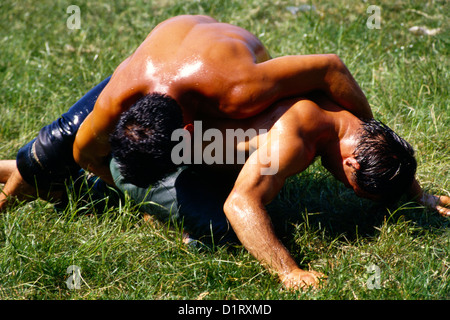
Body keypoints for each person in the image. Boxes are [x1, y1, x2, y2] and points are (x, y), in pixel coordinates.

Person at [1, 92, 448, 290]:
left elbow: (381, 158)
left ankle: (36, 176)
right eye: (358, 190)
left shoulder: (348, 116)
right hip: (147, 159)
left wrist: (419, 194)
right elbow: (241, 202)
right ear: (351, 163)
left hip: (171, 140)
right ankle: (78, 189)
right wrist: (287, 271)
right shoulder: (293, 140)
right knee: (230, 229)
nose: (351, 195)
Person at [1, 14, 373, 206]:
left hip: (212, 57)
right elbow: (84, 153)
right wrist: (132, 195)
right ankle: (20, 180)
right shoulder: (116, 100)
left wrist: (369, 135)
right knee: (41, 160)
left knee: (237, 151)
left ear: (188, 134)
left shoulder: (241, 91)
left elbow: (330, 67)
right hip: (149, 65)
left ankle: (21, 184)